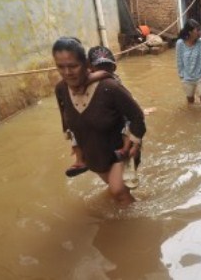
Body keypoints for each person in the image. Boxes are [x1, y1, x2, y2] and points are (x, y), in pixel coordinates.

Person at [53, 37, 146, 207]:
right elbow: (66, 120)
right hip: (95, 153)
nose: (67, 72)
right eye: (60, 67)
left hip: (121, 150)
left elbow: (137, 116)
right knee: (116, 190)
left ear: (86, 64)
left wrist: (135, 141)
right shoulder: (60, 89)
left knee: (118, 191)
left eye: (73, 66)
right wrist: (77, 148)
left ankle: (137, 223)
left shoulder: (109, 87)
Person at [65, 45, 134, 178]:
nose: (104, 70)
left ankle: (125, 149)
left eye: (107, 67)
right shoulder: (84, 82)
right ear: (89, 68)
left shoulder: (113, 81)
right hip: (96, 132)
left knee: (127, 123)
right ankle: (80, 160)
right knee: (74, 128)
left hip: (116, 122)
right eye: (99, 67)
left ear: (113, 67)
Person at [176, 18, 201, 107]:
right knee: (190, 102)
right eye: (197, 30)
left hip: (200, 76)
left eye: (200, 30)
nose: (200, 32)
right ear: (190, 32)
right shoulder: (180, 43)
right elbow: (179, 61)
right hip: (187, 78)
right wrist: (182, 76)